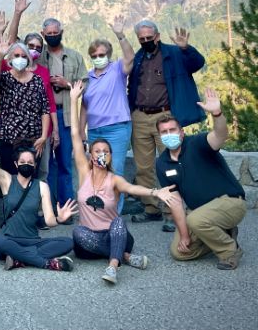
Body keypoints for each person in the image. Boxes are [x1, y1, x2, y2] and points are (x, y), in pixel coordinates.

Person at [69, 81, 175, 284]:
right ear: (91, 156)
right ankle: (124, 257)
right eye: (97, 151)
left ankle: (112, 267)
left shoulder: (114, 179)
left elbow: (132, 187)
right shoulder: (84, 172)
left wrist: (155, 193)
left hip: (115, 236)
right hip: (89, 241)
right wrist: (74, 100)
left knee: (119, 222)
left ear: (110, 156)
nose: (101, 154)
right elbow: (75, 135)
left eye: (105, 152)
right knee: (77, 232)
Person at [156, 88, 247, 270]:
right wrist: (184, 236)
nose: (169, 135)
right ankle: (224, 234)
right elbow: (175, 202)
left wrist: (217, 114)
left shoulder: (198, 143)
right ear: (160, 136)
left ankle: (230, 251)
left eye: (172, 130)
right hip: (198, 213)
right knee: (179, 252)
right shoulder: (162, 163)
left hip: (230, 202)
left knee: (196, 220)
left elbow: (220, 135)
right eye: (164, 132)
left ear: (181, 132)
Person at [129, 21, 206, 231]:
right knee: (143, 167)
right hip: (140, 116)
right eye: (141, 38)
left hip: (166, 115)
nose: (146, 41)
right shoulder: (138, 57)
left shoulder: (173, 53)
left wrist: (185, 48)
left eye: (149, 37)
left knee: (171, 165)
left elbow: (197, 63)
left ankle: (173, 211)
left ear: (157, 35)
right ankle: (150, 208)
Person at [0, 109, 77, 272]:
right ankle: (45, 263)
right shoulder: (6, 180)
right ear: (16, 164)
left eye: (30, 162)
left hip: (32, 240)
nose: (27, 164)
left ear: (34, 165)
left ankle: (20, 260)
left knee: (67, 242)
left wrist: (59, 218)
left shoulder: (41, 186)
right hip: (9, 239)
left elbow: (49, 220)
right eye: (23, 161)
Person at [79, 17, 134, 211]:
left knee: (115, 170)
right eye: (94, 55)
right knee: (97, 171)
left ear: (108, 54)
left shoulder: (117, 69)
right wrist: (81, 131)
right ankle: (99, 211)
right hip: (95, 131)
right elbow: (84, 105)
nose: (98, 57)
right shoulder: (87, 77)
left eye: (101, 54)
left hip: (117, 129)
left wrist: (120, 34)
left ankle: (114, 215)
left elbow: (129, 58)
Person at [37, 17, 87, 214]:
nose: (52, 36)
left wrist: (67, 84)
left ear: (61, 32)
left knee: (65, 164)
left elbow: (86, 84)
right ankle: (48, 208)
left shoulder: (74, 57)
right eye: (48, 34)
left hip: (66, 114)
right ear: (43, 35)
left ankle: (67, 208)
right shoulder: (38, 57)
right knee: (46, 166)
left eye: (55, 33)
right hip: (44, 117)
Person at [0, 37, 50, 176]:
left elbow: (45, 109)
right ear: (10, 58)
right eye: (16, 56)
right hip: (8, 140)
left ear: (28, 59)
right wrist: (0, 55)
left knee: (31, 179)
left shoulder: (37, 81)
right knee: (9, 179)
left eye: (23, 56)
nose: (20, 59)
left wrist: (43, 137)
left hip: (32, 142)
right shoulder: (5, 78)